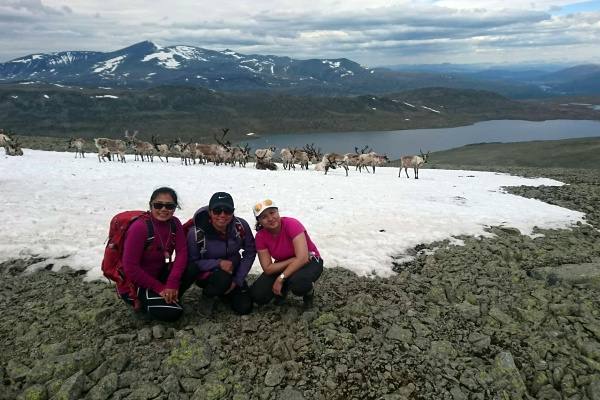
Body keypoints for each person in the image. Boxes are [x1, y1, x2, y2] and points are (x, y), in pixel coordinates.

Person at [121, 187, 189, 322]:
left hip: (159, 275)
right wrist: (160, 288)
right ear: (150, 205)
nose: (164, 209)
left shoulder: (175, 224)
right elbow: (130, 268)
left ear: (175, 208)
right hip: (136, 284)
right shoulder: (139, 228)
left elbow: (182, 252)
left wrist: (172, 283)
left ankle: (169, 296)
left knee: (192, 266)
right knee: (174, 312)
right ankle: (144, 302)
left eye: (169, 206)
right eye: (158, 205)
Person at [184, 192, 256, 315]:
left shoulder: (240, 226)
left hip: (233, 271)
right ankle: (208, 295)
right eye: (217, 210)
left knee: (244, 307)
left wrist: (238, 279)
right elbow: (192, 263)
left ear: (233, 212)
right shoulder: (196, 233)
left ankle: (224, 291)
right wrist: (219, 263)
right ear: (210, 212)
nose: (222, 215)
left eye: (227, 210)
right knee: (222, 279)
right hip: (208, 275)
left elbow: (250, 251)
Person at [250, 199, 323, 307]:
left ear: (278, 212)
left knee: (299, 284)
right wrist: (293, 260)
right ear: (259, 221)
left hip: (310, 261)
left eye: (272, 213)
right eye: (264, 217)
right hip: (287, 263)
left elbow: (303, 259)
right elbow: (268, 268)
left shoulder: (291, 224)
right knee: (258, 296)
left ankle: (308, 292)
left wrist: (280, 278)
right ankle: (284, 289)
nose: (270, 218)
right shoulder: (260, 237)